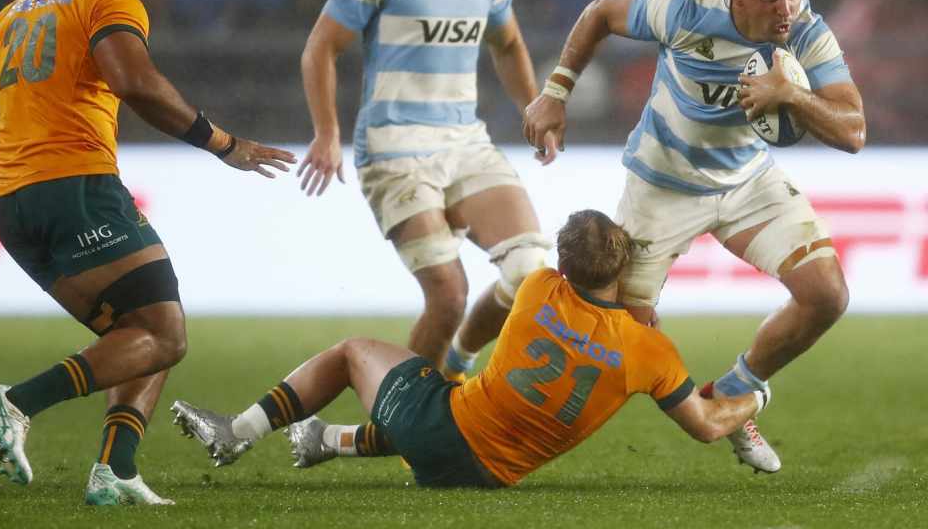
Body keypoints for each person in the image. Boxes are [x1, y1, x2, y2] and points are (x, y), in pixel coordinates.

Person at [0, 0, 295, 506]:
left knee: (143, 332)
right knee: (166, 336)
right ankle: (17, 402)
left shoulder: (14, 11)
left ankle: (115, 470)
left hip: (12, 205)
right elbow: (135, 82)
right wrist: (223, 143)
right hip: (76, 187)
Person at [522, 0, 865, 474]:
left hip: (747, 184)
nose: (786, 8)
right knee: (627, 338)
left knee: (827, 295)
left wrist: (791, 94)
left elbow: (853, 131)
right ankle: (523, 402)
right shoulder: (681, 8)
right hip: (661, 186)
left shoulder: (806, 32)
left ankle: (734, 393)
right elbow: (601, 13)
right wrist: (555, 92)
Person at [170, 209, 770, 487]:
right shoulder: (650, 352)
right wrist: (755, 397)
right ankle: (327, 440)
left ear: (564, 268)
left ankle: (237, 431)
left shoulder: (538, 286)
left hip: (442, 432)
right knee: (441, 404)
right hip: (489, 474)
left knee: (355, 353)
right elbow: (707, 426)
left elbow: (503, 299)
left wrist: (460, 350)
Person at [295, 0, 555, 378]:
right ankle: (402, 413)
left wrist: (535, 110)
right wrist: (326, 132)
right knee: (448, 296)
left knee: (530, 271)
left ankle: (457, 362)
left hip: (465, 143)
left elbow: (507, 44)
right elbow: (320, 48)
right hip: (394, 149)